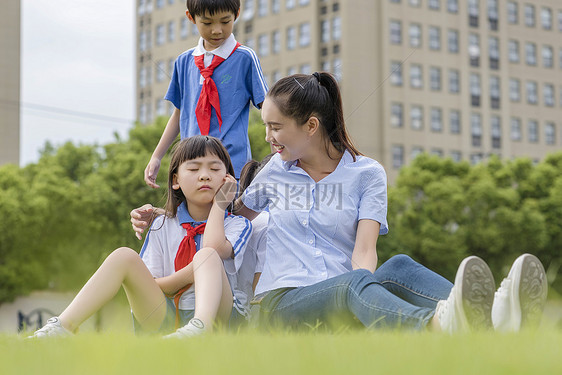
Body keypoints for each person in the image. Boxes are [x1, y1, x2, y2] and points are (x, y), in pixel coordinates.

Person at [131, 73, 548, 333]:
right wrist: (164, 213)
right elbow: (224, 213)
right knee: (353, 285)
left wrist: (357, 297)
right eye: (266, 127)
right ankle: (439, 324)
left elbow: (365, 253)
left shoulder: (367, 174)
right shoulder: (273, 173)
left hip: (343, 288)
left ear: (311, 126)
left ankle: (494, 316)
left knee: (397, 265)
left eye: (276, 127)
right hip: (281, 305)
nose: (269, 138)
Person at [30, 136, 253, 338]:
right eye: (194, 169)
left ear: (227, 179)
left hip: (218, 319)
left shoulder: (237, 225)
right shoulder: (162, 225)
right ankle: (62, 327)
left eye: (214, 169)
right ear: (176, 180)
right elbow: (154, 284)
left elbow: (212, 248)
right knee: (124, 256)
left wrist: (220, 205)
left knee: (207, 254)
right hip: (165, 315)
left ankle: (199, 329)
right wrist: (191, 272)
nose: (205, 175)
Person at [145, 0, 268, 185]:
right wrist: (156, 156)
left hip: (231, 168)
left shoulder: (245, 58)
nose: (217, 30)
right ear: (191, 17)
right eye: (208, 23)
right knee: (191, 214)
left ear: (237, 14)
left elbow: (268, 108)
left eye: (225, 21)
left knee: (228, 213)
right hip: (191, 168)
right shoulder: (184, 62)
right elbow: (180, 114)